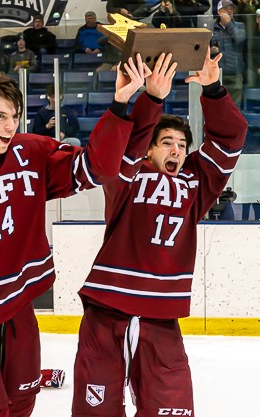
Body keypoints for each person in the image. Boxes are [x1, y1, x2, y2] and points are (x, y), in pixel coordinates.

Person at [0, 54, 149, 416]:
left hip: (16, 310)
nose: (10, 126)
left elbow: (96, 167)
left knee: (22, 403)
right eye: (0, 116)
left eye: (15, 116)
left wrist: (119, 103)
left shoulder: (31, 151)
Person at [72, 48, 248, 416]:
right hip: (109, 308)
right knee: (95, 410)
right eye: (167, 142)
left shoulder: (196, 183)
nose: (177, 150)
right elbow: (124, 144)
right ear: (149, 149)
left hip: (162, 314)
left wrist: (214, 90)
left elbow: (231, 139)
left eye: (183, 145)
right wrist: (151, 99)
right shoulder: (127, 174)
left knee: (173, 408)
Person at [211, 0, 246, 108]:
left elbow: (240, 39)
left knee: (235, 106)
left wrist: (229, 24)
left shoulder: (240, 26)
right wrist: (211, 51)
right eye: (226, 9)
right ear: (219, 12)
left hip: (235, 72)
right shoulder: (212, 27)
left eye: (231, 8)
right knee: (218, 105)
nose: (229, 11)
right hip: (218, 74)